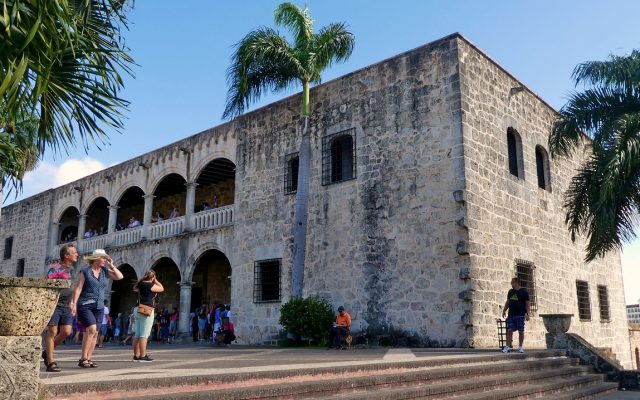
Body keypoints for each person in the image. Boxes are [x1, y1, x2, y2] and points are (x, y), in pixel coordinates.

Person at [70, 249, 123, 368]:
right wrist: (74, 303)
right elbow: (78, 289)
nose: (105, 260)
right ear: (96, 259)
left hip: (99, 306)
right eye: (103, 258)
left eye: (105, 258)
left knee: (95, 333)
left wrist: (112, 265)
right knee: (91, 329)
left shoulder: (104, 271)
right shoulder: (85, 272)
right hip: (85, 305)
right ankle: (83, 358)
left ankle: (88, 358)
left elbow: (120, 277)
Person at [42, 243, 78, 372]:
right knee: (52, 332)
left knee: (66, 331)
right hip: (55, 304)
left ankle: (47, 351)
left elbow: (73, 288)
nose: (77, 254)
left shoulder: (73, 269)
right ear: (66, 255)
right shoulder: (55, 268)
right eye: (74, 252)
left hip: (67, 305)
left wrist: (73, 302)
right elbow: (46, 284)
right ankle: (51, 362)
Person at [133, 270, 164, 362]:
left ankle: (136, 355)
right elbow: (161, 288)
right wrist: (156, 281)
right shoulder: (150, 285)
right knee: (144, 334)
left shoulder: (141, 284)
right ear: (152, 277)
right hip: (146, 310)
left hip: (137, 308)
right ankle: (143, 356)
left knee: (137, 334)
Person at [501, 277, 531, 354]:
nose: (511, 284)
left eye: (512, 282)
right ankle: (507, 347)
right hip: (511, 315)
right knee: (509, 330)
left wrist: (528, 313)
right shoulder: (510, 292)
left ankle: (520, 347)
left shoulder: (524, 292)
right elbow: (508, 302)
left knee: (521, 331)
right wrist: (504, 310)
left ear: (517, 282)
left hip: (520, 315)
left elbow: (527, 303)